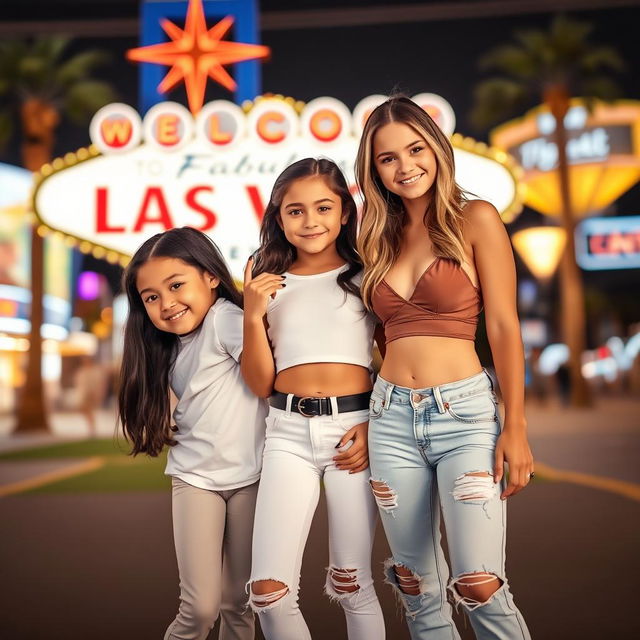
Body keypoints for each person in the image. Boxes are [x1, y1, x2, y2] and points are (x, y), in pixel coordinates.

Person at [355, 96, 533, 639]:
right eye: (388, 158)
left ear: (437, 148)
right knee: (416, 587)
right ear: (374, 169)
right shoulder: (372, 235)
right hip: (389, 419)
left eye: (415, 149)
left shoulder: (475, 218)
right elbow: (372, 333)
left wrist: (517, 427)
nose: (405, 166)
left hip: (466, 415)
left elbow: (503, 327)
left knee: (478, 582)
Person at [242, 158, 385, 640]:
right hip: (286, 434)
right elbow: (261, 383)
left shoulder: (369, 271)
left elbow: (398, 358)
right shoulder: (263, 275)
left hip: (355, 431)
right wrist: (252, 312)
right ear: (278, 217)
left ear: (345, 211)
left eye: (323, 207)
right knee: (267, 591)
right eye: (295, 211)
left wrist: (375, 426)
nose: (310, 221)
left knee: (352, 583)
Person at [118, 227, 266, 640]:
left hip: (252, 479)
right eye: (151, 297)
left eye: (176, 285)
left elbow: (270, 378)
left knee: (240, 603)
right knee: (199, 609)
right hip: (194, 479)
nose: (166, 304)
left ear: (211, 277)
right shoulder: (169, 346)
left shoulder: (227, 319)